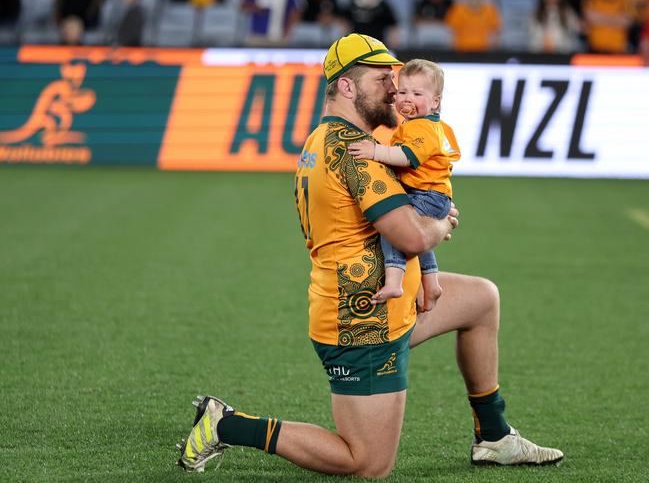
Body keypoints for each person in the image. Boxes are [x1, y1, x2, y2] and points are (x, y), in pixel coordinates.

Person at [175, 33, 564, 478]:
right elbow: (413, 237)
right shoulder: (352, 153)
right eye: (383, 79)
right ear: (346, 86)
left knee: (480, 299)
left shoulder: (328, 139)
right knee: (367, 463)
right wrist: (444, 222)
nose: (395, 89)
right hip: (362, 320)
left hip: (384, 300)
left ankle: (494, 437)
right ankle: (227, 424)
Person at [347, 59, 458, 312]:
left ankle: (394, 281)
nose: (408, 98)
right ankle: (432, 283)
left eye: (417, 94)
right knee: (418, 238)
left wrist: (375, 151)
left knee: (397, 230)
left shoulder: (423, 128)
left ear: (435, 102)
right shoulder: (417, 125)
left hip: (426, 194)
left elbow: (406, 156)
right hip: (434, 194)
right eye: (403, 91)